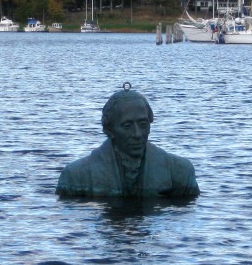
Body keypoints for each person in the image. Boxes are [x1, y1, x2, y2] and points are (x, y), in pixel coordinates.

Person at [56, 85, 199, 199]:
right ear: (109, 130)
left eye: (143, 124)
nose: (137, 134)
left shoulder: (181, 172)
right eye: (127, 126)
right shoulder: (75, 177)